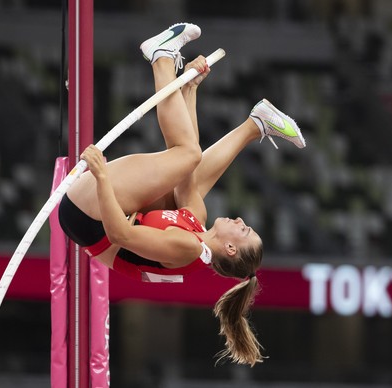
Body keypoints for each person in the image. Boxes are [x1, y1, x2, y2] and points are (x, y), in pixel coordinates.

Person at [59, 23, 306, 366]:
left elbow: (121, 234)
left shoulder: (188, 248)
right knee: (191, 167)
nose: (240, 220)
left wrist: (101, 177)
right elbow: (188, 170)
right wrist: (189, 87)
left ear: (231, 248)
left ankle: (160, 58)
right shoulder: (196, 225)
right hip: (107, 213)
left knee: (186, 154)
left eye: (244, 230)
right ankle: (255, 125)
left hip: (92, 221)